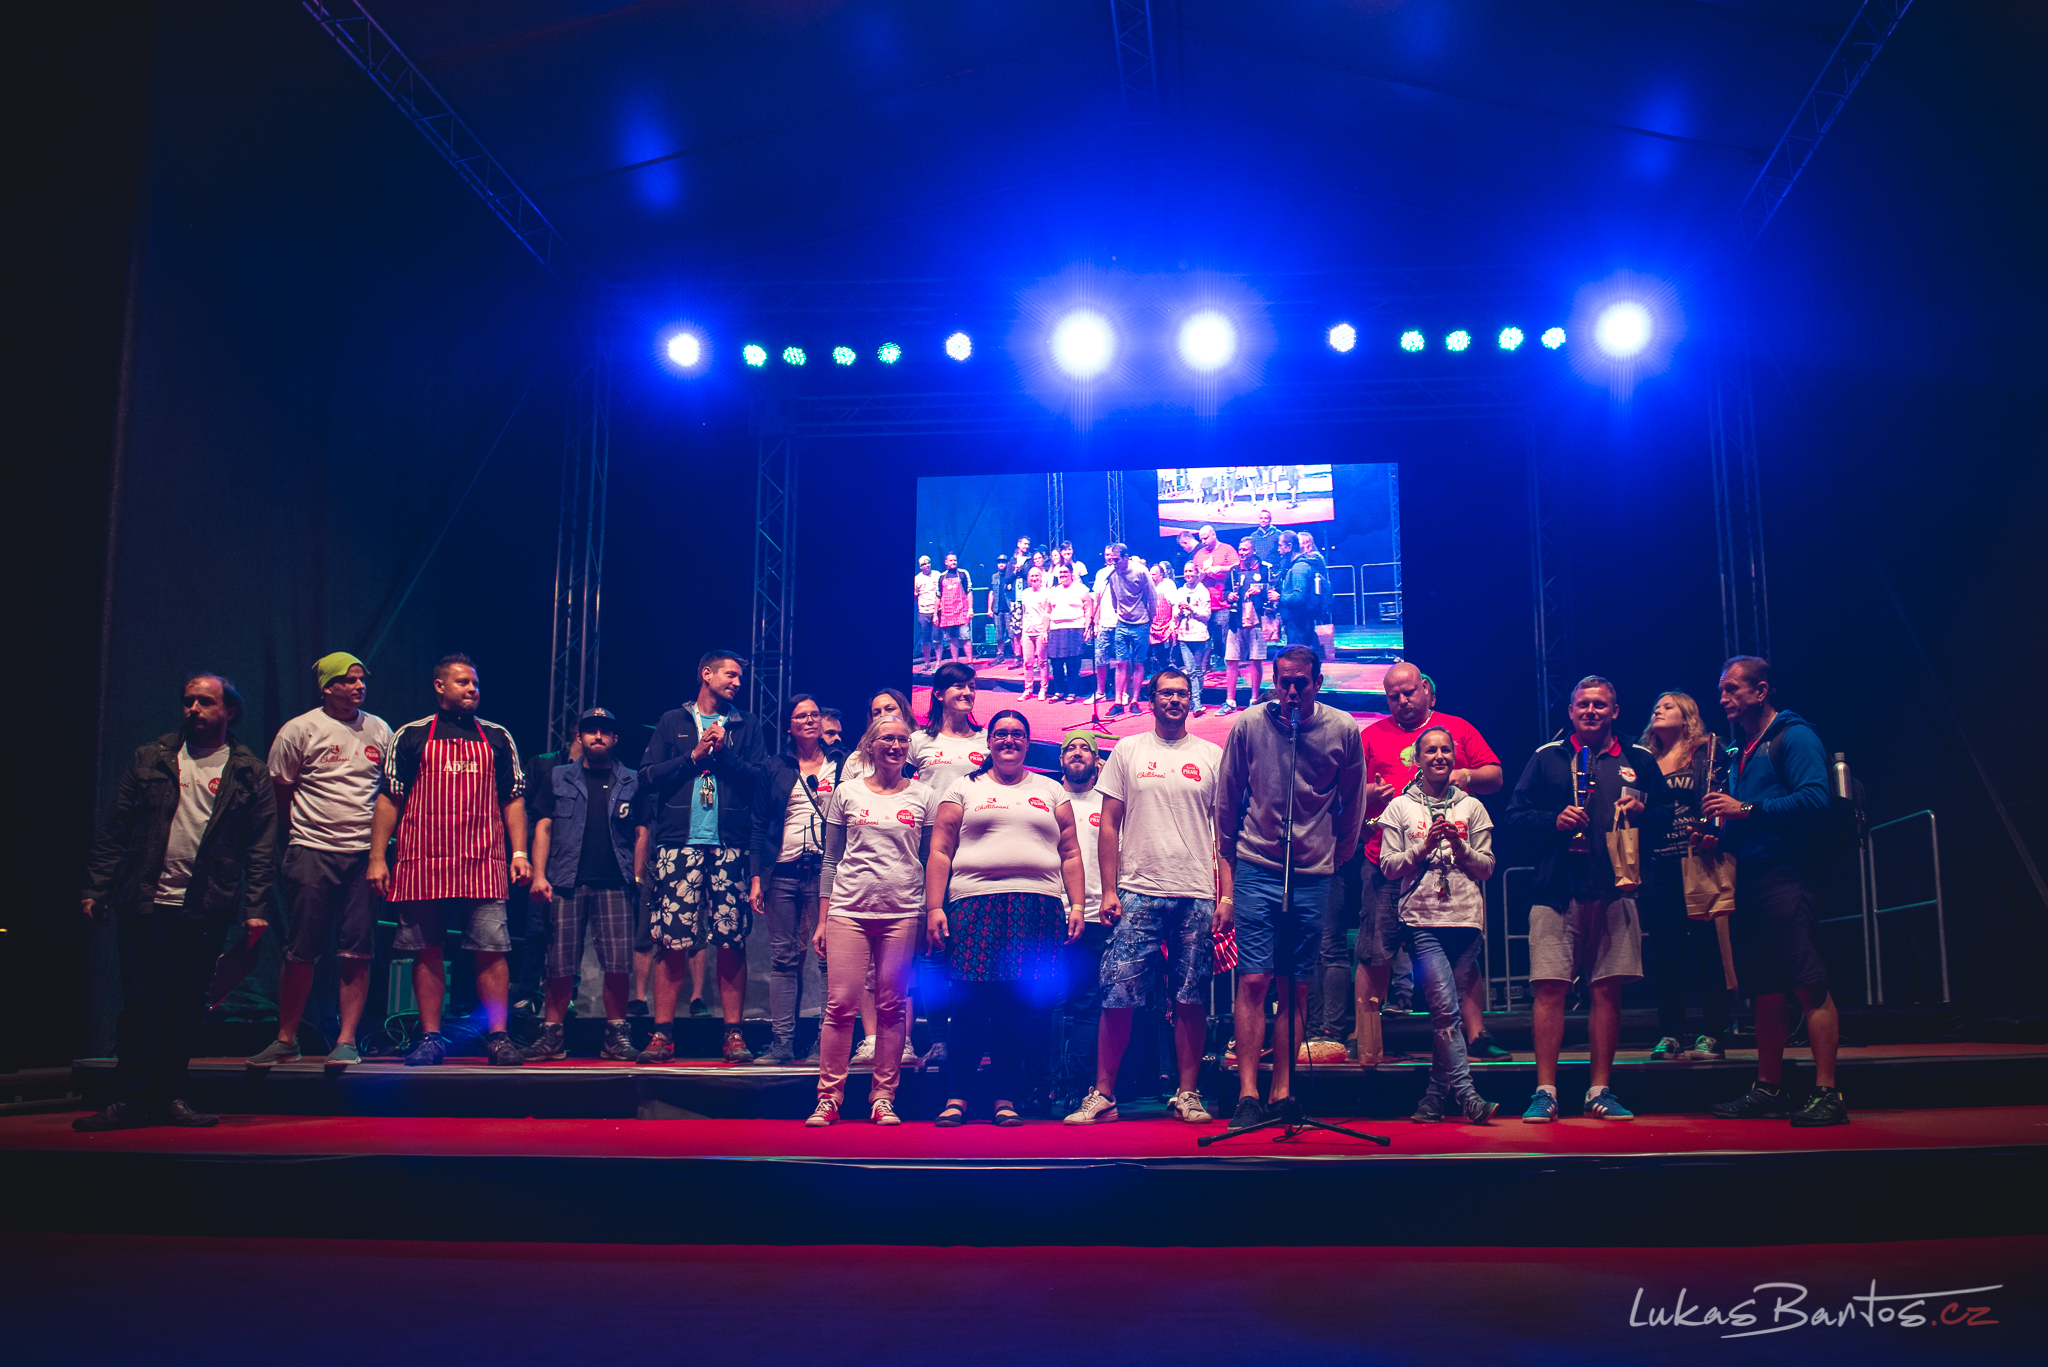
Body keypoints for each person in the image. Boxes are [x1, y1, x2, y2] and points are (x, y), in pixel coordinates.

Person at [77, 674, 278, 1130]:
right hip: (145, 901)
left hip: (205, 905)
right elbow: (115, 829)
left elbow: (261, 848)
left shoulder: (249, 771)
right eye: (188, 701)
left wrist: (255, 909)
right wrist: (96, 888)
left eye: (205, 701)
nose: (194, 709)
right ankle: (128, 1098)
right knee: (141, 1006)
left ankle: (170, 1094)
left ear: (229, 711)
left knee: (185, 1005)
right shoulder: (151, 758)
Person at [1504, 675, 1670, 1121]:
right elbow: (1515, 817)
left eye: (1599, 704)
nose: (1591, 711)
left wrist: (1645, 812)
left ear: (1615, 711)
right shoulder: (1547, 757)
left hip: (1617, 890)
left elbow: (1668, 815)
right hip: (1556, 892)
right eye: (1583, 705)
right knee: (1549, 989)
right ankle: (1545, 1091)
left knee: (1607, 990)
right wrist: (1553, 820)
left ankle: (1600, 1090)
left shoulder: (1639, 758)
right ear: (1571, 711)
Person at [1215, 647, 1366, 1129]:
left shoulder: (1342, 729)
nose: (1292, 691)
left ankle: (1282, 1090)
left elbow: (1353, 798)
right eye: (1284, 682)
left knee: (1295, 984)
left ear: (1317, 683)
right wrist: (1226, 856)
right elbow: (1227, 794)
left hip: (1313, 870)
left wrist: (1340, 852)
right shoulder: (1250, 724)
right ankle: (1247, 1094)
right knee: (1254, 979)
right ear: (1274, 681)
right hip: (1257, 863)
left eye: (1301, 683)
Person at [1065, 666, 1222, 1126]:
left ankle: (1187, 1093)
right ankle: (1104, 1095)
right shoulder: (1128, 750)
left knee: (1190, 996)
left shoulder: (1212, 754)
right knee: (1118, 993)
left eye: (1182, 693)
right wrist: (1108, 890)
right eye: (1165, 693)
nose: (1174, 700)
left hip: (1196, 891)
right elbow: (1108, 824)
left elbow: (1224, 833)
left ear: (1190, 700)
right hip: (1137, 891)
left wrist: (1226, 897)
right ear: (1151, 700)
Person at [1335, 664, 1507, 1066]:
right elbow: (1344, 790)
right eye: (1393, 696)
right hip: (1386, 863)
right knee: (1375, 951)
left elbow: (1496, 776)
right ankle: (1365, 1035)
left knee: (1462, 952)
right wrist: (1370, 793)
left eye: (1409, 692)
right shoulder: (1371, 735)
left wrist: (1465, 774)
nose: (1402, 701)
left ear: (1427, 690)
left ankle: (1476, 1035)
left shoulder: (1456, 729)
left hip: (1448, 867)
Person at [1705, 657, 1847, 1127]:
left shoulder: (1794, 735)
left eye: (1732, 688)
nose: (1723, 697)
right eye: (1721, 689)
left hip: (1787, 873)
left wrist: (1743, 808)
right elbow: (1746, 816)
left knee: (1809, 984)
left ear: (1761, 691)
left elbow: (1815, 798)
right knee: (1765, 991)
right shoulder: (1739, 749)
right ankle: (1768, 1088)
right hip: (1749, 875)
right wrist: (1717, 835)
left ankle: (1828, 1093)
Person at [926, 710, 1086, 1126]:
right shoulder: (964, 787)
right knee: (968, 1004)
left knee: (1015, 1007)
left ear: (1028, 742)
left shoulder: (1051, 789)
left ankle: (1005, 1099)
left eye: (1017, 734)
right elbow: (940, 850)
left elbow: (1070, 852)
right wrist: (934, 906)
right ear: (989, 742)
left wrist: (1077, 905)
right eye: (1000, 734)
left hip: (1037, 907)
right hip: (974, 904)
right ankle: (957, 1098)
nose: (1009, 740)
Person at [368, 656, 530, 1067]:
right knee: (427, 949)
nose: (473, 689)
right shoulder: (410, 735)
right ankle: (431, 1037)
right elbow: (390, 798)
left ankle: (498, 1037)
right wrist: (377, 857)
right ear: (439, 686)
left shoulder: (498, 737)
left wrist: (519, 853)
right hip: (423, 858)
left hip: (483, 858)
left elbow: (513, 799)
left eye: (475, 683)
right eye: (462, 682)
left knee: (492, 949)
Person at [246, 653, 393, 1069]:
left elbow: (389, 792)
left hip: (364, 855)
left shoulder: (380, 729)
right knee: (301, 949)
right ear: (328, 687)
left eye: (362, 678)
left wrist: (379, 853)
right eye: (350, 680)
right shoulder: (299, 729)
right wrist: (299, 836)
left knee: (357, 949)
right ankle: (286, 1038)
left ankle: (346, 1041)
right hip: (311, 850)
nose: (360, 686)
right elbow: (280, 790)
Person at [638, 650, 770, 1065]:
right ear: (706, 674)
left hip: (730, 844)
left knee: (731, 939)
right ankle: (662, 1035)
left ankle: (733, 1035)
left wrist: (724, 754)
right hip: (678, 845)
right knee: (671, 939)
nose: (737, 682)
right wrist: (692, 757)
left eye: (740, 677)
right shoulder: (672, 721)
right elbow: (647, 777)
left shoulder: (746, 725)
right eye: (730, 674)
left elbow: (760, 782)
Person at [808, 714, 934, 1125]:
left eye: (902, 740)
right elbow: (831, 860)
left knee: (892, 1006)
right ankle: (829, 1098)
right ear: (869, 746)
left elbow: (930, 860)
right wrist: (823, 919)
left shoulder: (924, 796)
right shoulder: (846, 792)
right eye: (887, 739)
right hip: (849, 910)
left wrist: (930, 912)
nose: (895, 746)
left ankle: (883, 1098)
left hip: (903, 912)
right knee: (840, 1005)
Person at [1378, 726, 1498, 1123]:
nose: (1439, 756)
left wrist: (1460, 847)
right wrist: (1424, 846)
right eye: (1430, 750)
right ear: (1417, 758)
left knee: (1449, 1014)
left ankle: (1432, 1099)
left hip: (1466, 921)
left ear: (1455, 757)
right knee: (1445, 1011)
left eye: (1446, 749)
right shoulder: (1400, 807)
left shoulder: (1472, 807)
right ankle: (1468, 1097)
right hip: (1422, 920)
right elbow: (1388, 866)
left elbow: (1487, 868)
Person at [523, 708, 648, 1062]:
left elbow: (641, 831)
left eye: (605, 732)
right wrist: (539, 874)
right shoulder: (558, 776)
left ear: (615, 738)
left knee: (618, 964)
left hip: (616, 882)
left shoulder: (631, 780)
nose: (598, 736)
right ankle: (552, 1034)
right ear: (579, 736)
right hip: (565, 881)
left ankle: (616, 1035)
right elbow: (543, 826)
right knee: (559, 963)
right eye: (591, 730)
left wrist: (638, 877)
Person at [1638, 691, 1734, 1062]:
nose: (1658, 710)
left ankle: (1714, 1032)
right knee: (1666, 953)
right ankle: (1671, 1033)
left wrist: (1715, 833)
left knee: (1708, 949)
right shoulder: (1645, 759)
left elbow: (1721, 795)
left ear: (1687, 715)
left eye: (1668, 706)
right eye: (1656, 707)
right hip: (1658, 863)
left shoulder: (1706, 750)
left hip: (1699, 859)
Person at [747, 695, 841, 1065]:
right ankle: (781, 1043)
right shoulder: (774, 766)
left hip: (825, 870)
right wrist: (756, 877)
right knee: (783, 959)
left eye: (815, 714)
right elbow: (758, 824)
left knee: (827, 958)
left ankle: (825, 1043)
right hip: (783, 871)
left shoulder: (841, 762)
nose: (809, 720)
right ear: (789, 726)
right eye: (801, 716)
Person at [1219, 534, 1276, 716]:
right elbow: (1225, 592)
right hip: (1236, 620)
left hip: (1257, 620)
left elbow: (1275, 591)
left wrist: (1261, 590)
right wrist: (1228, 596)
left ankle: (1254, 700)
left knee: (1256, 659)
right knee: (1231, 660)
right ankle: (1230, 701)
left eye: (1245, 549)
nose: (1242, 553)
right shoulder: (1234, 571)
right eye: (1240, 550)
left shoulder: (1266, 569)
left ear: (1254, 550)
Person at [1097, 543, 1157, 717]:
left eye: (1116, 559)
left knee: (1138, 663)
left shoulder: (1140, 571)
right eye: (1111, 560)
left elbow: (1152, 596)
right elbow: (1113, 598)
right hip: (1122, 623)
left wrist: (1151, 619)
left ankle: (1135, 701)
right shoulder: (1112, 575)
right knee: (1121, 663)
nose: (1113, 563)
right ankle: (1118, 702)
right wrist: (1120, 614)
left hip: (1141, 623)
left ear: (1126, 557)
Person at [911, 661, 987, 792]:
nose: (968, 693)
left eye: (971, 687)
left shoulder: (987, 740)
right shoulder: (918, 740)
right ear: (939, 694)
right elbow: (898, 786)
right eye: (959, 686)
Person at [1043, 562, 1090, 703]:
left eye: (1065, 572)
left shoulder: (1081, 589)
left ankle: (1072, 692)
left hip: (1075, 629)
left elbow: (1088, 609)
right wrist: (1045, 631)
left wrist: (1087, 628)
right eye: (1060, 573)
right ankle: (1059, 691)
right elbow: (1047, 612)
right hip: (1056, 630)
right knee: (1056, 663)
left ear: (1071, 574)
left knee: (1073, 663)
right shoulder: (1053, 591)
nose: (1063, 575)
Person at [1174, 560, 1213, 715]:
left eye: (1191, 571)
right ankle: (1196, 704)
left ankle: (1197, 699)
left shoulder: (1203, 591)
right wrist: (1179, 611)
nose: (1188, 574)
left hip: (1200, 636)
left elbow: (1207, 615)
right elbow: (1175, 614)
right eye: (1186, 571)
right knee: (1190, 671)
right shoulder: (1180, 591)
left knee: (1198, 670)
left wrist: (1192, 608)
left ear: (1197, 573)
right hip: (1184, 636)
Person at [935, 552, 975, 664]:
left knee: (965, 637)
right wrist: (935, 615)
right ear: (946, 562)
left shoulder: (963, 574)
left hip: (962, 611)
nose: (953, 562)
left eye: (955, 560)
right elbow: (938, 596)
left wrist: (970, 609)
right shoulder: (941, 577)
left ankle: (970, 662)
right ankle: (955, 663)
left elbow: (969, 592)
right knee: (951, 639)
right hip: (947, 613)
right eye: (951, 560)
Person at [1019, 566, 1051, 700]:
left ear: (1041, 577)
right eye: (1031, 576)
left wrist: (1045, 631)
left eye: (1036, 576)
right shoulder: (1025, 593)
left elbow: (1048, 613)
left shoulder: (1047, 592)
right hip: (1027, 631)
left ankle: (1043, 689)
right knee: (1027, 662)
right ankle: (1028, 689)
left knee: (1042, 661)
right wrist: (1022, 633)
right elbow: (1024, 613)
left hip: (1040, 630)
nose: (1034, 578)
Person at [914, 555, 941, 667]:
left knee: (937, 637)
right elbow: (915, 596)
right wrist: (922, 606)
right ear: (920, 567)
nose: (927, 565)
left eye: (928, 563)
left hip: (937, 611)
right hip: (923, 612)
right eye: (924, 564)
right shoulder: (917, 579)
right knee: (925, 639)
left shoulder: (937, 575)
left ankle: (938, 663)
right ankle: (927, 663)